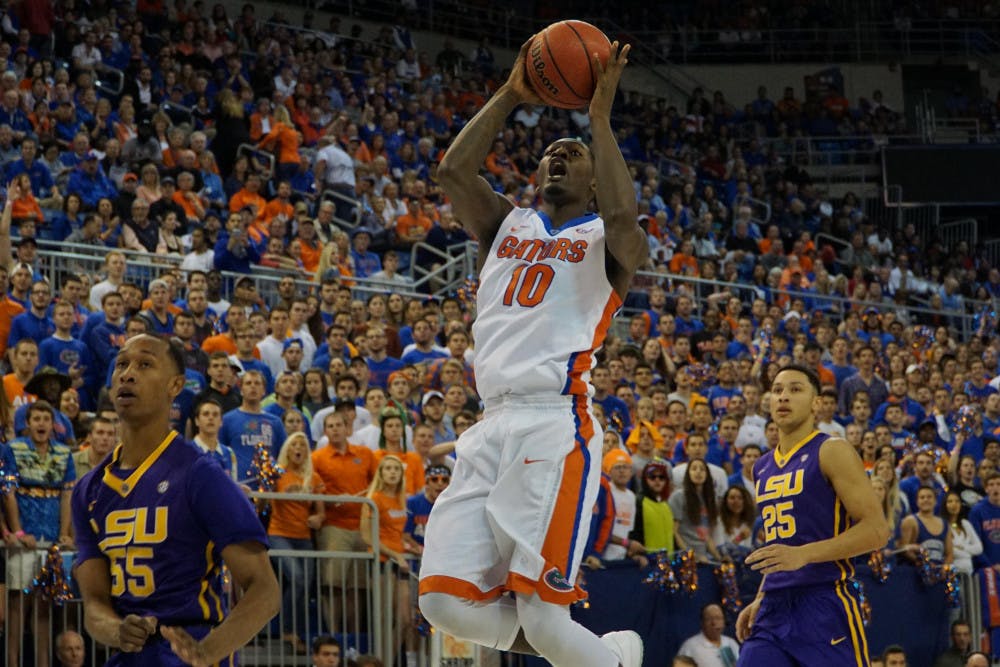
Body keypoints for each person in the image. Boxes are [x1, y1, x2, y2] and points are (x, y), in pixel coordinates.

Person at [418, 39, 648, 667]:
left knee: (545, 618)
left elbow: (628, 218)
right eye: (550, 151)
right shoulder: (507, 224)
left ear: (595, 175)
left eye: (572, 154)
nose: (557, 158)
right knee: (442, 603)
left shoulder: (606, 238)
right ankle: (606, 659)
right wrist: (513, 94)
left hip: (555, 422)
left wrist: (598, 119)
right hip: (489, 423)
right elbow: (453, 173)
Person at [70, 334, 280, 665]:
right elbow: (94, 604)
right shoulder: (87, 490)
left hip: (189, 647)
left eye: (145, 364)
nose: (127, 373)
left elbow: (265, 591)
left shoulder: (201, 475)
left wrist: (207, 652)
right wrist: (117, 630)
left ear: (175, 385)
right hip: (129, 656)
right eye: (121, 364)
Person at [736, 364, 890, 667]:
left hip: (824, 601)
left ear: (816, 403)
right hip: (774, 607)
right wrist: (761, 595)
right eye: (777, 390)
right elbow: (781, 544)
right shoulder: (761, 467)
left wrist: (804, 555)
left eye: (795, 390)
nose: (783, 397)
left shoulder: (832, 450)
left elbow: (877, 530)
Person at [269, 431, 325, 655]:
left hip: (303, 537)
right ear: (287, 450)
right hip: (278, 533)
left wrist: (317, 519)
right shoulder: (276, 473)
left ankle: (295, 632)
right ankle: (288, 631)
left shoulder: (314, 477)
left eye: (303, 445)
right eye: (294, 445)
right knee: (298, 578)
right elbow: (262, 501)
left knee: (305, 585)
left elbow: (321, 513)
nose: (299, 449)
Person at [677, 603, 740, 667]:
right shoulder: (690, 646)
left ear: (724, 621)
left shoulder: (731, 643)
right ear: (702, 622)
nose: (714, 623)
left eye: (718, 618)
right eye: (708, 619)